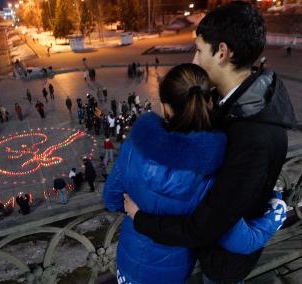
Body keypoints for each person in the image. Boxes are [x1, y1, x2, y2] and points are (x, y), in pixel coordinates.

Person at [123, 3, 297, 283]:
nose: (194, 59)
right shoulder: (237, 101)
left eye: (199, 49)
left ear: (222, 53)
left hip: (222, 265)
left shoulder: (254, 137)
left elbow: (204, 227)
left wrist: (140, 218)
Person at [104, 63, 288, 284]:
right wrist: (274, 216)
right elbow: (239, 241)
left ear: (165, 108)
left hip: (129, 260)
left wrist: (138, 209)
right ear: (209, 101)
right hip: (172, 270)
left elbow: (111, 198)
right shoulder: (211, 172)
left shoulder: (134, 145)